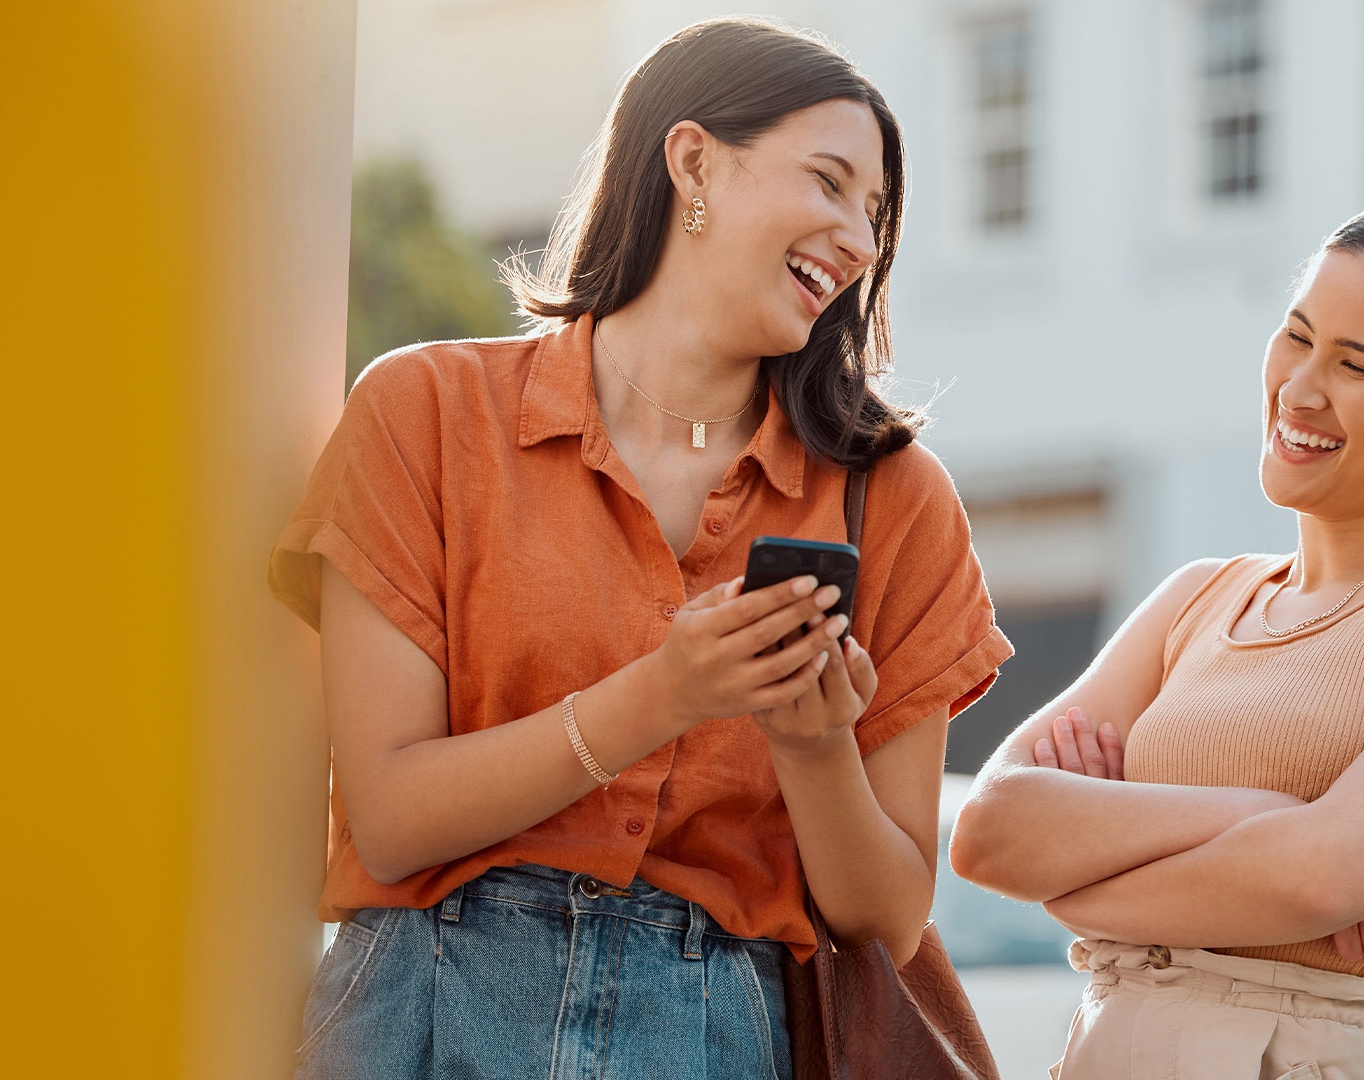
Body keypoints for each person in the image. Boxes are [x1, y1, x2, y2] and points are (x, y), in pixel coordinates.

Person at [269, 18, 1011, 1078]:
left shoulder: (891, 500)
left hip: (711, 1031)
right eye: (830, 181)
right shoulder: (424, 412)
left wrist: (809, 746)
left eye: (876, 213)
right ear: (693, 160)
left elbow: (885, 918)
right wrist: (663, 694)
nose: (858, 239)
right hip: (421, 1016)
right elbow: (388, 819)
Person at [950, 197, 1364, 1079]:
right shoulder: (1198, 596)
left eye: (1357, 366)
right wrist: (1261, 817)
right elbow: (989, 835)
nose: (1300, 389)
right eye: (1296, 336)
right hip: (1112, 1044)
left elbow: (1327, 879)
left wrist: (1076, 891)